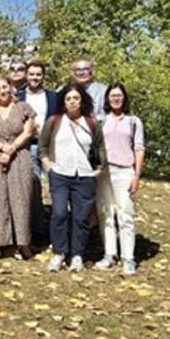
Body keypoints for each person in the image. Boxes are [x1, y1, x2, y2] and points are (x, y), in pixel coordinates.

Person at [40, 84, 107, 272]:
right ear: (63, 101)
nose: (72, 102)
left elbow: (100, 147)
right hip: (60, 174)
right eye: (68, 98)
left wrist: (99, 169)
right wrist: (47, 164)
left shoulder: (91, 123)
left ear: (82, 100)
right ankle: (59, 252)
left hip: (85, 176)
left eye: (76, 98)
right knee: (59, 213)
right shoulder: (54, 121)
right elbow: (43, 145)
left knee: (81, 218)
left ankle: (77, 254)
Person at [0, 75, 36, 260]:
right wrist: (1, 146)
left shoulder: (23, 108)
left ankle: (23, 243)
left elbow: (28, 132)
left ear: (11, 87)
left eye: (5, 87)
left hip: (19, 156)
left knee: (21, 200)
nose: (2, 91)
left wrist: (11, 148)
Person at [94, 83, 144, 275]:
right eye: (112, 95)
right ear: (107, 99)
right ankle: (109, 254)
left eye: (119, 96)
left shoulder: (133, 121)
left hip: (124, 171)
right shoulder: (100, 121)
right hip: (104, 172)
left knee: (125, 214)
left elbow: (139, 148)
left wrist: (136, 175)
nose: (116, 99)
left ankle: (128, 257)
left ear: (124, 98)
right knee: (105, 214)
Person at [17, 59, 57, 244]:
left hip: (49, 146)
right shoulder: (18, 96)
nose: (34, 78)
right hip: (27, 146)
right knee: (32, 189)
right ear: (26, 74)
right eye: (31, 74)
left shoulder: (52, 97)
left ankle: (57, 229)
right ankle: (36, 231)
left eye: (38, 74)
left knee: (56, 186)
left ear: (43, 76)